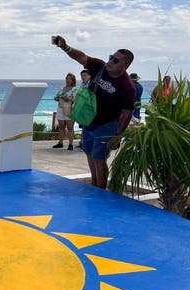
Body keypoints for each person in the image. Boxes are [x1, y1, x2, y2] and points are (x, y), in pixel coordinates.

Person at [54, 35, 135, 189]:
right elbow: (81, 57)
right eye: (111, 57)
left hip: (107, 125)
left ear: (125, 66)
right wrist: (66, 47)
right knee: (89, 153)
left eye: (115, 60)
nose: (110, 61)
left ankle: (101, 191)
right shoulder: (100, 67)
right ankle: (94, 185)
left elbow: (126, 112)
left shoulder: (127, 86)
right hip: (89, 120)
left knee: (99, 158)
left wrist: (118, 135)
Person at [52, 73, 78, 150]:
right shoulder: (62, 88)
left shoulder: (75, 89)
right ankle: (60, 143)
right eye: (67, 78)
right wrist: (56, 98)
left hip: (69, 108)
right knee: (61, 127)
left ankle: (70, 144)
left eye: (69, 79)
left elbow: (75, 100)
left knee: (70, 127)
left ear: (73, 80)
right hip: (60, 108)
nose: (68, 80)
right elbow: (57, 97)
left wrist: (68, 99)